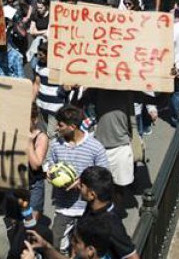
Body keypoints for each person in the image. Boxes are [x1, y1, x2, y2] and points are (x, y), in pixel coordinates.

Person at [45, 105, 109, 254]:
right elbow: (49, 163)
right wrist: (49, 173)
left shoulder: (95, 147)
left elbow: (104, 176)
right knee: (55, 245)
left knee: (82, 249)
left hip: (86, 209)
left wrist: (81, 183)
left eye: (60, 125)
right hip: (63, 207)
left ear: (72, 127)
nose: (56, 128)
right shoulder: (55, 145)